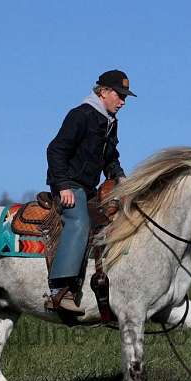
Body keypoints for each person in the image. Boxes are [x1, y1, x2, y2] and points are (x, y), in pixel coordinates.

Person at [45, 69, 136, 313]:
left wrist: (119, 176)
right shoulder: (81, 115)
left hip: (88, 189)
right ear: (103, 92)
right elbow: (55, 150)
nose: (123, 102)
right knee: (79, 223)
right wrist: (63, 185)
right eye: (119, 95)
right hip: (69, 186)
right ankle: (59, 290)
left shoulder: (108, 122)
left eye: (125, 97)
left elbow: (109, 158)